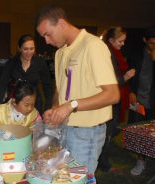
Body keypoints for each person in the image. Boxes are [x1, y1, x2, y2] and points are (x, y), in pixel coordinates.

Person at [36, 5, 120, 175]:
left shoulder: (92, 46)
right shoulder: (60, 53)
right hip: (66, 128)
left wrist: (71, 105)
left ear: (61, 23)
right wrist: (55, 109)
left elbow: (112, 94)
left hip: (87, 132)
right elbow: (60, 90)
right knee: (64, 179)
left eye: (47, 34)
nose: (46, 41)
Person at [98, 26, 136, 172]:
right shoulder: (108, 53)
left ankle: (103, 160)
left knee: (111, 130)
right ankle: (104, 163)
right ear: (111, 40)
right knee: (108, 132)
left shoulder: (114, 53)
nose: (122, 44)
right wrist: (125, 77)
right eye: (120, 41)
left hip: (116, 97)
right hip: (111, 98)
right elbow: (109, 79)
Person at [0, 34, 54, 114]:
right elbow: (1, 85)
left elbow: (47, 86)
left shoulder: (40, 63)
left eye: (31, 49)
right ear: (19, 48)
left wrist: (48, 107)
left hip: (34, 105)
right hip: (16, 105)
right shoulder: (11, 63)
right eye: (25, 49)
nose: (29, 52)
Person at [127, 26, 155, 176]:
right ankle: (141, 160)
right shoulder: (136, 54)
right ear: (145, 40)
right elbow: (130, 74)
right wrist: (131, 91)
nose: (153, 46)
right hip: (139, 100)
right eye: (151, 43)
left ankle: (150, 155)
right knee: (139, 131)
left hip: (153, 101)